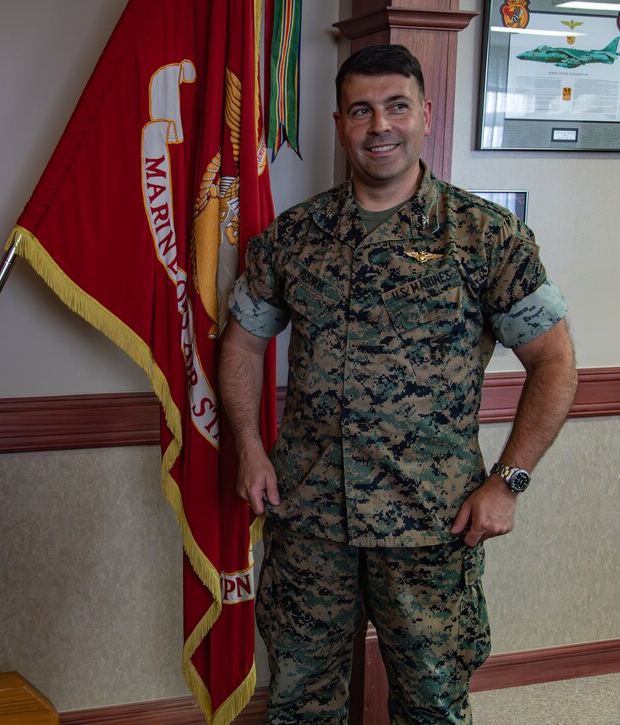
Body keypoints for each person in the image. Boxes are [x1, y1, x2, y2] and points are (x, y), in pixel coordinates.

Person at [220, 45, 577, 723]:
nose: (379, 124)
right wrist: (247, 443)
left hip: (433, 523)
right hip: (310, 517)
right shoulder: (294, 238)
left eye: (396, 106)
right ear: (340, 121)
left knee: (434, 706)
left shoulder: (485, 237)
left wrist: (509, 480)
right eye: (361, 109)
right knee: (299, 703)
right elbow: (242, 341)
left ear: (425, 116)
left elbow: (556, 364)